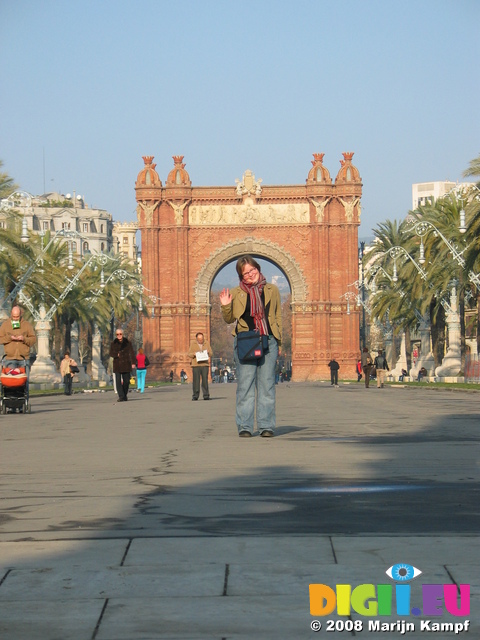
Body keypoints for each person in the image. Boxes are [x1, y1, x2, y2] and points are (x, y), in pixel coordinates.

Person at [220, 255, 282, 438]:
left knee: (267, 385)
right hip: (246, 341)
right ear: (241, 276)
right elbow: (229, 319)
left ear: (258, 268)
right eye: (245, 273)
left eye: (252, 270)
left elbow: (277, 317)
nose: (250, 274)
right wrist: (225, 306)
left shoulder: (272, 290)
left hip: (268, 340)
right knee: (245, 385)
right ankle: (245, 426)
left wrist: (279, 340)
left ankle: (266, 426)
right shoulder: (236, 292)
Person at [109, 328, 135, 402]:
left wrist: (133, 362)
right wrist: (116, 354)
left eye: (120, 334)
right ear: (116, 335)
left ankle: (124, 395)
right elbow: (110, 353)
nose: (119, 335)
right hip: (117, 364)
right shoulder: (113, 343)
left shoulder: (128, 342)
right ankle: (121, 396)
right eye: (117, 334)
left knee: (126, 381)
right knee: (118, 381)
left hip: (126, 363)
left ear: (123, 334)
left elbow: (132, 353)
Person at [187, 331, 213, 401]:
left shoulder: (206, 343)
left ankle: (206, 395)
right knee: (196, 381)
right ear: (196, 339)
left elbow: (211, 353)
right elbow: (189, 354)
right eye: (199, 340)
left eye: (202, 339)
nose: (201, 341)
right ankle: (195, 395)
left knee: (205, 380)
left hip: (204, 364)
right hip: (196, 365)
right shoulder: (193, 344)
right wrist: (194, 354)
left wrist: (208, 352)